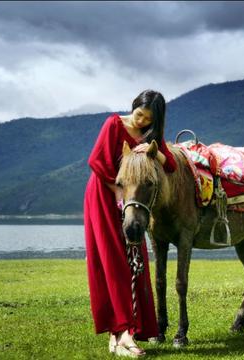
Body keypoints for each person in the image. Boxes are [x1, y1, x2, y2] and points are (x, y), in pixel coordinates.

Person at [84, 90, 177, 357]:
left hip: (132, 202)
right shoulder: (114, 123)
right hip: (105, 193)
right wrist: (117, 191)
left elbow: (169, 165)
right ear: (133, 107)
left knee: (134, 261)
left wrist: (153, 150)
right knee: (112, 261)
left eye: (148, 120)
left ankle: (124, 334)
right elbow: (97, 161)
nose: (141, 122)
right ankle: (122, 332)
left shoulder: (151, 137)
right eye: (139, 115)